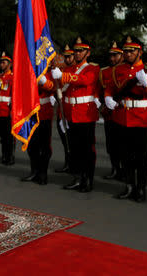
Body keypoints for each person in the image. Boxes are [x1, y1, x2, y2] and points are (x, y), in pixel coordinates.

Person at [104, 36, 147, 202]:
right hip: (122, 118)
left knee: (142, 157)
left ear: (140, 52)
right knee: (125, 155)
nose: (128, 54)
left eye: (132, 51)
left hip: (142, 118)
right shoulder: (118, 70)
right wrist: (108, 97)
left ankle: (141, 188)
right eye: (126, 51)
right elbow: (110, 88)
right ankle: (129, 186)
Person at [52, 37, 100, 192]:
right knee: (74, 148)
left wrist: (62, 77)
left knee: (87, 149)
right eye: (76, 51)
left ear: (88, 52)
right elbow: (63, 91)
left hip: (85, 115)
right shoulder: (68, 69)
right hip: (70, 115)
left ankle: (88, 179)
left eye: (81, 51)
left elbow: (84, 80)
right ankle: (78, 177)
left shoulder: (92, 68)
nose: (78, 54)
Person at [22, 62, 56, 185]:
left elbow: (53, 87)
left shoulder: (49, 73)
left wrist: (43, 81)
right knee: (31, 145)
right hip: (30, 114)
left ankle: (43, 173)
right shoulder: (28, 72)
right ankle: (34, 171)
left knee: (44, 146)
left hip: (44, 113)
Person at [99, 41, 124, 180]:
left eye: (116, 55)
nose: (112, 58)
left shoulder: (126, 69)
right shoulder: (104, 71)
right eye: (111, 56)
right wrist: (101, 102)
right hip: (110, 113)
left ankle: (124, 170)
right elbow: (100, 91)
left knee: (124, 144)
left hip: (123, 111)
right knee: (111, 144)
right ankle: (115, 168)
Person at [0, 52, 15, 165]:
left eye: (4, 62)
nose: (1, 64)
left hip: (7, 111)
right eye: (1, 62)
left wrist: (13, 111)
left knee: (8, 136)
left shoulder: (13, 77)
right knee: (2, 136)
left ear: (9, 64)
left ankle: (10, 156)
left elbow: (14, 96)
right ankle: (4, 156)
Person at [55, 44, 74, 173]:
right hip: (61, 111)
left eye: (69, 57)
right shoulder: (61, 71)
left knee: (72, 141)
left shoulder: (76, 71)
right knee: (64, 140)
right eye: (65, 57)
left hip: (71, 110)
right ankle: (68, 162)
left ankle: (73, 164)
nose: (67, 59)